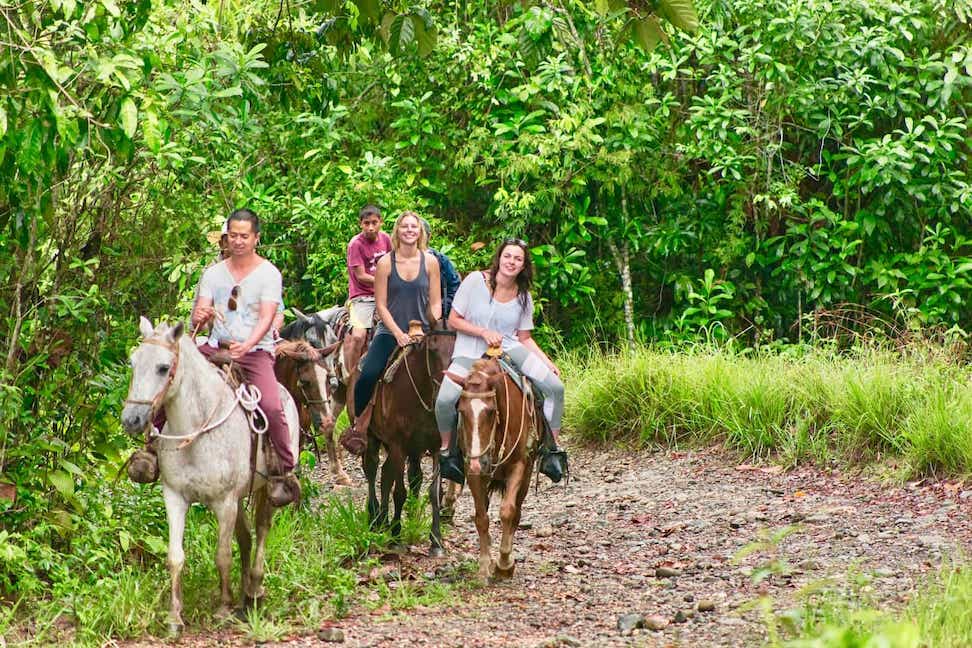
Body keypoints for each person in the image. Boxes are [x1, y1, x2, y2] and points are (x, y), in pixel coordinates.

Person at [129, 209, 300, 506]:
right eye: (232, 235)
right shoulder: (213, 274)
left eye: (244, 236)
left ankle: (283, 470)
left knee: (272, 405)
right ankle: (152, 450)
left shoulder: (269, 274)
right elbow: (199, 317)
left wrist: (247, 345)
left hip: (254, 351)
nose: (237, 241)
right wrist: (201, 315)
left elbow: (268, 315)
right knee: (172, 381)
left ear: (256, 238)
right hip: (214, 345)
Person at [434, 238, 568, 484]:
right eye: (508, 256)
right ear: (499, 258)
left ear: (523, 265)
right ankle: (449, 453)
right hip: (470, 350)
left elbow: (524, 337)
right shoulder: (475, 281)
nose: (511, 262)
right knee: (445, 399)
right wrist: (483, 332)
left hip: (509, 348)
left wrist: (546, 360)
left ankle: (552, 450)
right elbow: (454, 319)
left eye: (518, 259)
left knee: (554, 388)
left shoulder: (524, 295)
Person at [340, 211, 442, 455]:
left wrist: (433, 321)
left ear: (420, 232)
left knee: (450, 375)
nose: (409, 230)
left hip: (423, 330)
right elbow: (381, 305)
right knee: (368, 373)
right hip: (390, 329)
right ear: (397, 231)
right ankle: (360, 427)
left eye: (413, 227)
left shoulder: (430, 262)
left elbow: (436, 302)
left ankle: (453, 439)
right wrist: (398, 333)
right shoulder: (386, 263)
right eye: (404, 226)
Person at [419, 217, 461, 320]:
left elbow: (455, 289)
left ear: (429, 236)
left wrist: (439, 307)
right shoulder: (396, 259)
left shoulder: (441, 260)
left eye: (420, 233)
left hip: (436, 318)